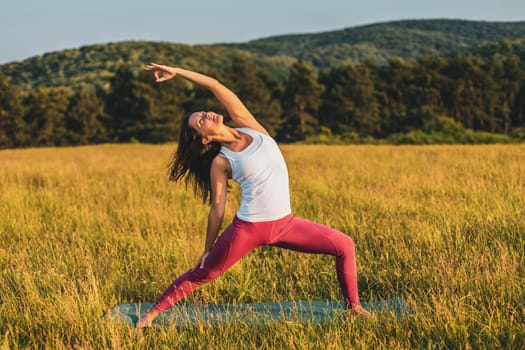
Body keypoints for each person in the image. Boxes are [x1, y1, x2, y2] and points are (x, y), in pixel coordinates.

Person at [136, 63, 370, 327]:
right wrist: (208, 248)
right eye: (201, 121)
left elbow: (215, 85)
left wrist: (177, 72)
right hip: (248, 229)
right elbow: (217, 208)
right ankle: (150, 315)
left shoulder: (250, 126)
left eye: (202, 112)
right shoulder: (221, 162)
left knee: (344, 245)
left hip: (286, 224)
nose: (207, 114)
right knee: (205, 273)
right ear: (204, 139)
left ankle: (354, 308)